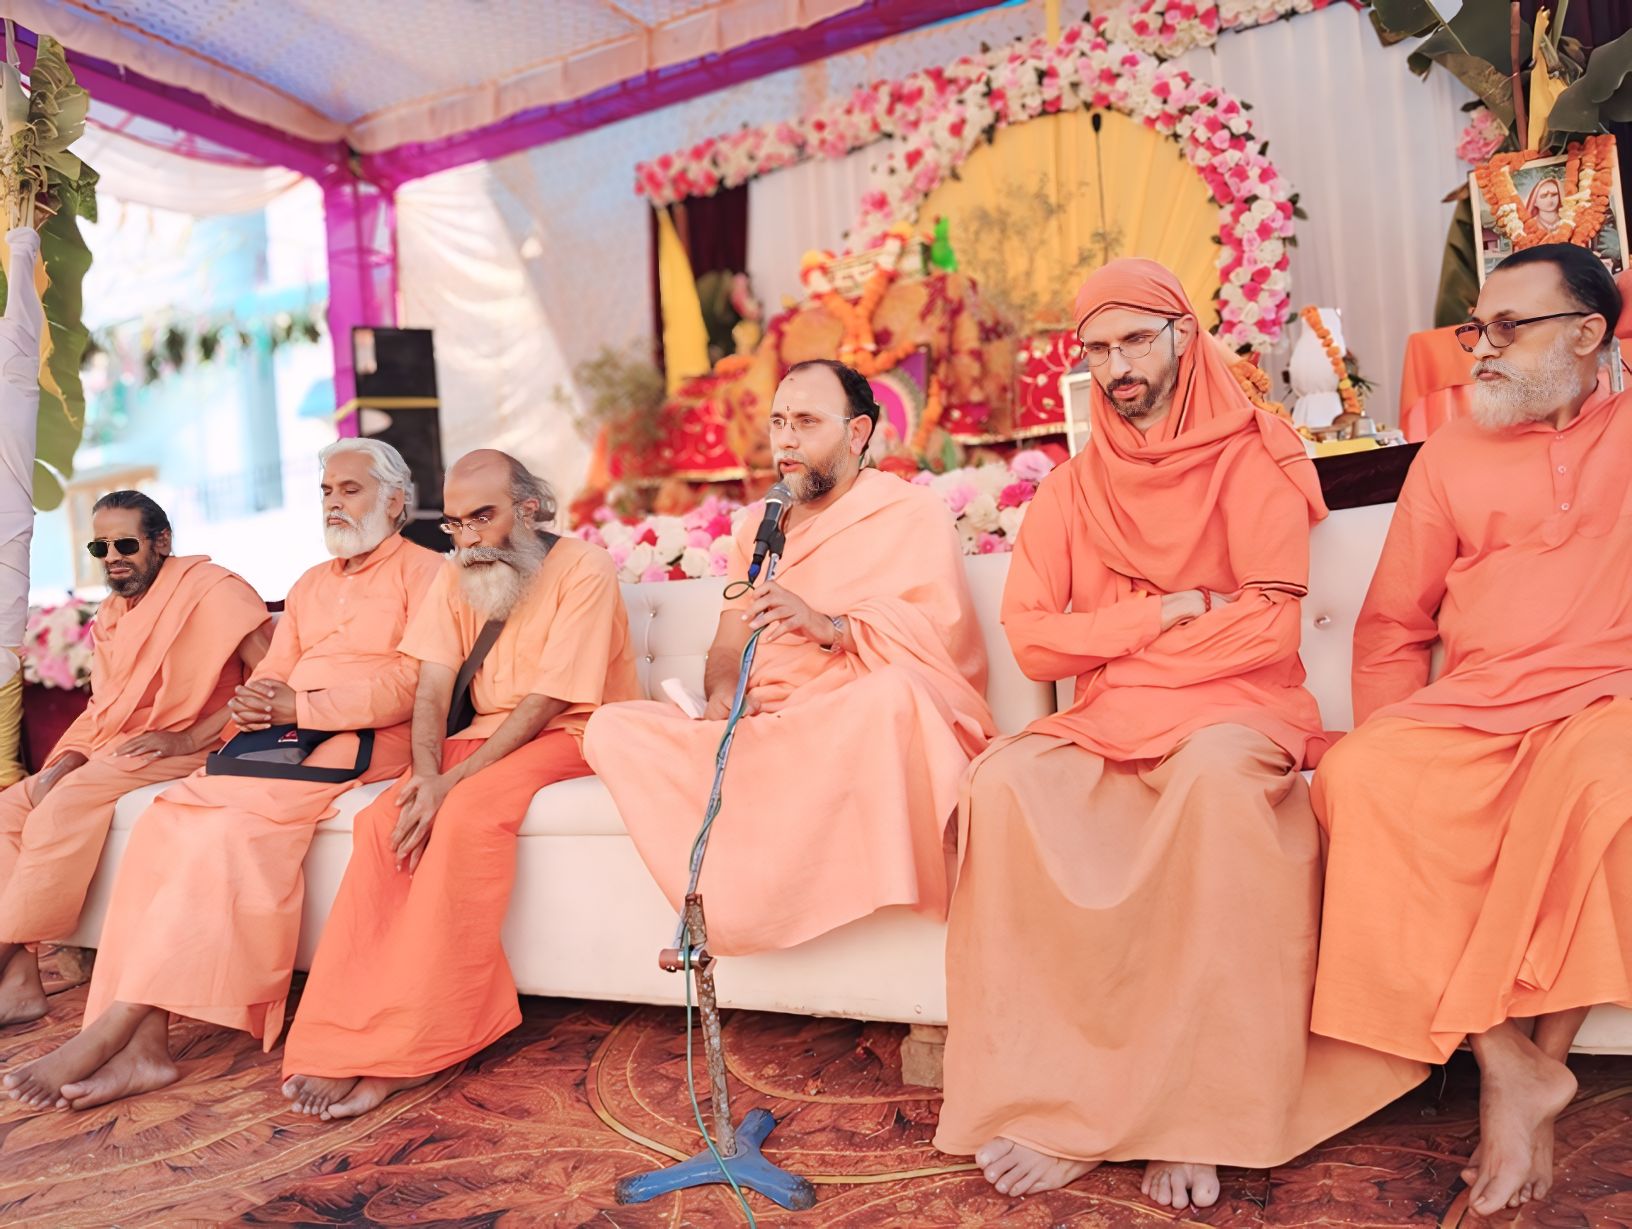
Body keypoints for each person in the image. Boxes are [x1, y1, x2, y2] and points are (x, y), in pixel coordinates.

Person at [934, 260, 1426, 1210]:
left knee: (1214, 783)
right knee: (1003, 783)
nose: (1117, 365)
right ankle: (1065, 1102)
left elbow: (1267, 629)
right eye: (1098, 349)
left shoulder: (1255, 454)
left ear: (1183, 337)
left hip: (1240, 710)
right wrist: (1159, 614)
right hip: (1110, 714)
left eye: (1134, 340)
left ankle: (1201, 1113)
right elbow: (1032, 639)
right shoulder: (1073, 487)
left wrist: (1122, 648)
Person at [1311, 243, 1632, 1218]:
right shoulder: (1449, 452)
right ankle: (1505, 1057)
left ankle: (1531, 1072)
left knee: (1599, 779)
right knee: (1361, 776)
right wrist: (1402, 750)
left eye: (1508, 327)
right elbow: (1392, 625)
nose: (1481, 349)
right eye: (1475, 329)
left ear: (1588, 332)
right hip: (1480, 703)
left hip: (1612, 696)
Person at [1, 442, 441, 1110]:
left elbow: (418, 682)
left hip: (368, 740)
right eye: (327, 490)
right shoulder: (311, 584)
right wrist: (257, 703)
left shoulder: (428, 574)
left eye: (349, 489)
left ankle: (119, 1024)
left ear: (396, 500)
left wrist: (305, 707)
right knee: (165, 824)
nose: (333, 503)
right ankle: (146, 1050)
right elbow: (273, 670)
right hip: (285, 740)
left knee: (228, 830)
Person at [583, 359, 993, 956]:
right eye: (778, 422)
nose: (786, 440)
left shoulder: (910, 513)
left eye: (806, 421)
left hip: (843, 717)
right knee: (611, 727)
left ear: (857, 433)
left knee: (895, 696)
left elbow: (940, 641)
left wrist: (828, 627)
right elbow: (728, 644)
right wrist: (724, 693)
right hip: (762, 724)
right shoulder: (759, 529)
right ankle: (734, 900)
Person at [280, 450, 639, 1120]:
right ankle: (345, 1032)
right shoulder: (457, 572)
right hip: (479, 737)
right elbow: (432, 689)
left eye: (483, 517)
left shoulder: (583, 567)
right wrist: (424, 777)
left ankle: (421, 1045)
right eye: (455, 523)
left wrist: (451, 785)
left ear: (528, 510)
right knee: (381, 819)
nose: (469, 537)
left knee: (466, 813)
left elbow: (546, 702)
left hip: (573, 732)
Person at [0, 491, 268, 1034]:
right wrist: (63, 761)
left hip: (197, 745)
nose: (112, 558)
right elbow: (102, 707)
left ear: (161, 541)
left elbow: (272, 679)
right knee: (14, 806)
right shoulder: (113, 613)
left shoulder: (214, 590)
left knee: (62, 808)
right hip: (121, 743)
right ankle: (23, 979)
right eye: (101, 547)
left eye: (125, 544)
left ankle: (4, 955)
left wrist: (186, 738)